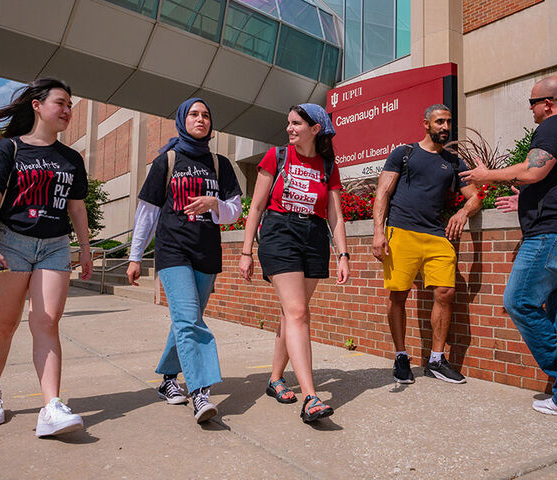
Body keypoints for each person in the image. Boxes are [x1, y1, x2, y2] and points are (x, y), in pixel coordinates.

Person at [460, 76, 557, 423]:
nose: (532, 111)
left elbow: (534, 170)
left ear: (548, 103)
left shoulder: (555, 125)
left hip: (554, 237)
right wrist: (528, 201)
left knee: (518, 301)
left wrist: (486, 174)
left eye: (533, 104)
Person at [0, 78, 93, 437]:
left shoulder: (72, 159)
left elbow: (76, 206)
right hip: (12, 243)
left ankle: (51, 407)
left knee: (46, 322)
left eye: (70, 105)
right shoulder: (9, 149)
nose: (67, 110)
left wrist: (84, 247)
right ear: (37, 106)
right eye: (61, 103)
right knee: (6, 322)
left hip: (55, 245)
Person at [126, 98, 242, 423]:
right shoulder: (167, 160)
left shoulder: (221, 164)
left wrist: (214, 203)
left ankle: (166, 380)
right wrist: (135, 256)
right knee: (190, 319)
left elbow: (235, 211)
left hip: (207, 252)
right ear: (182, 120)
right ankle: (200, 391)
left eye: (206, 115)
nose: (200, 119)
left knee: (185, 321)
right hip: (172, 250)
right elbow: (147, 213)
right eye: (194, 114)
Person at [238, 104, 349, 423]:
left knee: (292, 314)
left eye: (296, 123)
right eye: (288, 122)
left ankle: (275, 379)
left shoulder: (328, 164)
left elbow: (336, 215)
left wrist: (343, 254)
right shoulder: (276, 156)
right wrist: (246, 251)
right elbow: (256, 206)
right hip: (279, 232)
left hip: (314, 237)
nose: (289, 128)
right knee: (299, 312)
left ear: (316, 128)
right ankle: (311, 397)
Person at [372, 104, 482, 385]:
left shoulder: (454, 162)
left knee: (445, 292)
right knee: (398, 295)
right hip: (401, 231)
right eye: (439, 122)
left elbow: (475, 197)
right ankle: (400, 356)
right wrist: (378, 232)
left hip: (436, 235)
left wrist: (462, 212)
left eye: (448, 122)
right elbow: (383, 192)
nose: (445, 127)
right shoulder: (404, 153)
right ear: (426, 124)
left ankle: (436, 360)